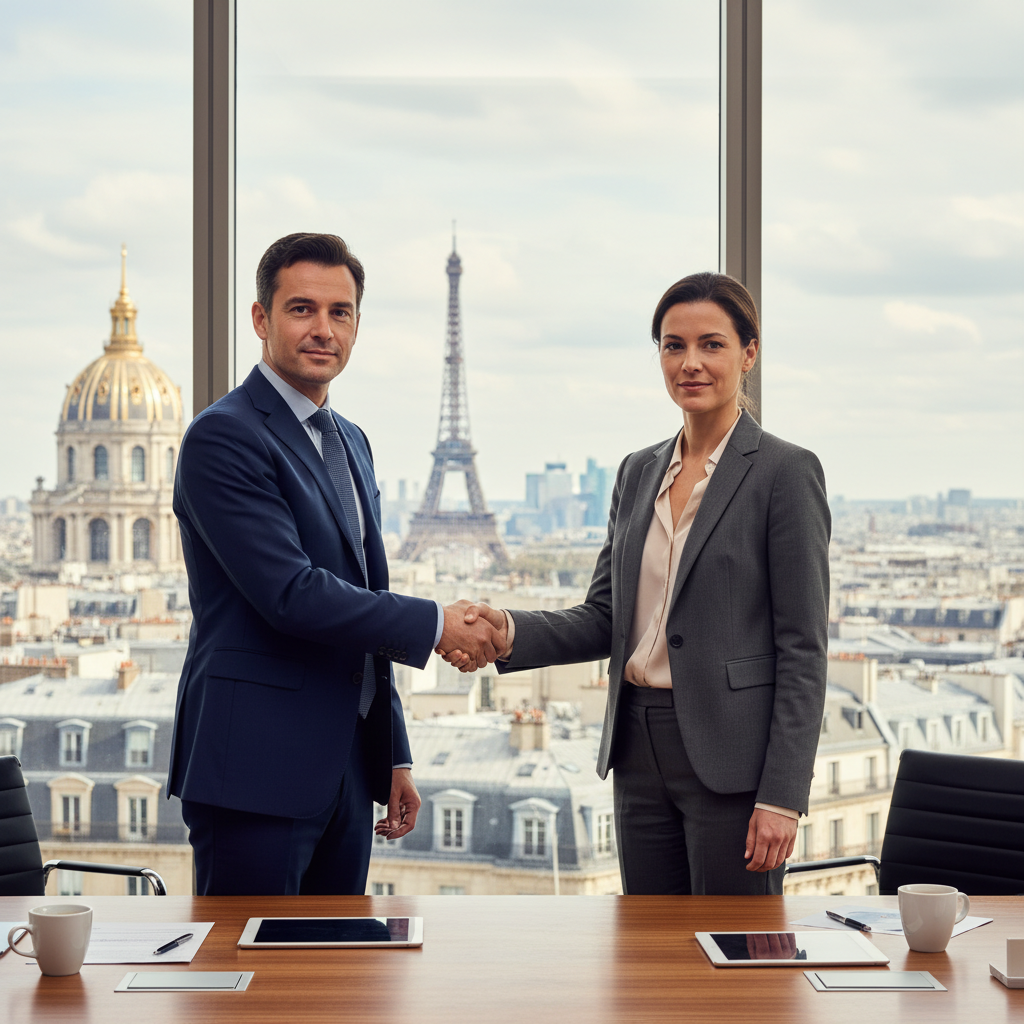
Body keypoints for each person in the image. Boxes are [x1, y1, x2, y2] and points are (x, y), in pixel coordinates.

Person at [444, 272, 830, 895]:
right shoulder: (638, 470)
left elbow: (803, 650)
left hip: (731, 755)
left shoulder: (785, 473)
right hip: (637, 744)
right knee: (649, 955)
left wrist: (783, 796)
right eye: (673, 346)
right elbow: (607, 616)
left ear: (749, 353)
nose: (690, 363)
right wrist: (507, 629)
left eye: (712, 344)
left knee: (730, 956)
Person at [168, 232, 502, 895]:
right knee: (249, 983)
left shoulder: (350, 441)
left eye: (340, 312)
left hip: (347, 767)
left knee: (335, 983)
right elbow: (290, 593)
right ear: (261, 319)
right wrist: (438, 623)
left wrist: (392, 751)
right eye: (301, 309)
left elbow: (365, 599)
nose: (323, 329)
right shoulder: (224, 435)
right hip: (255, 768)